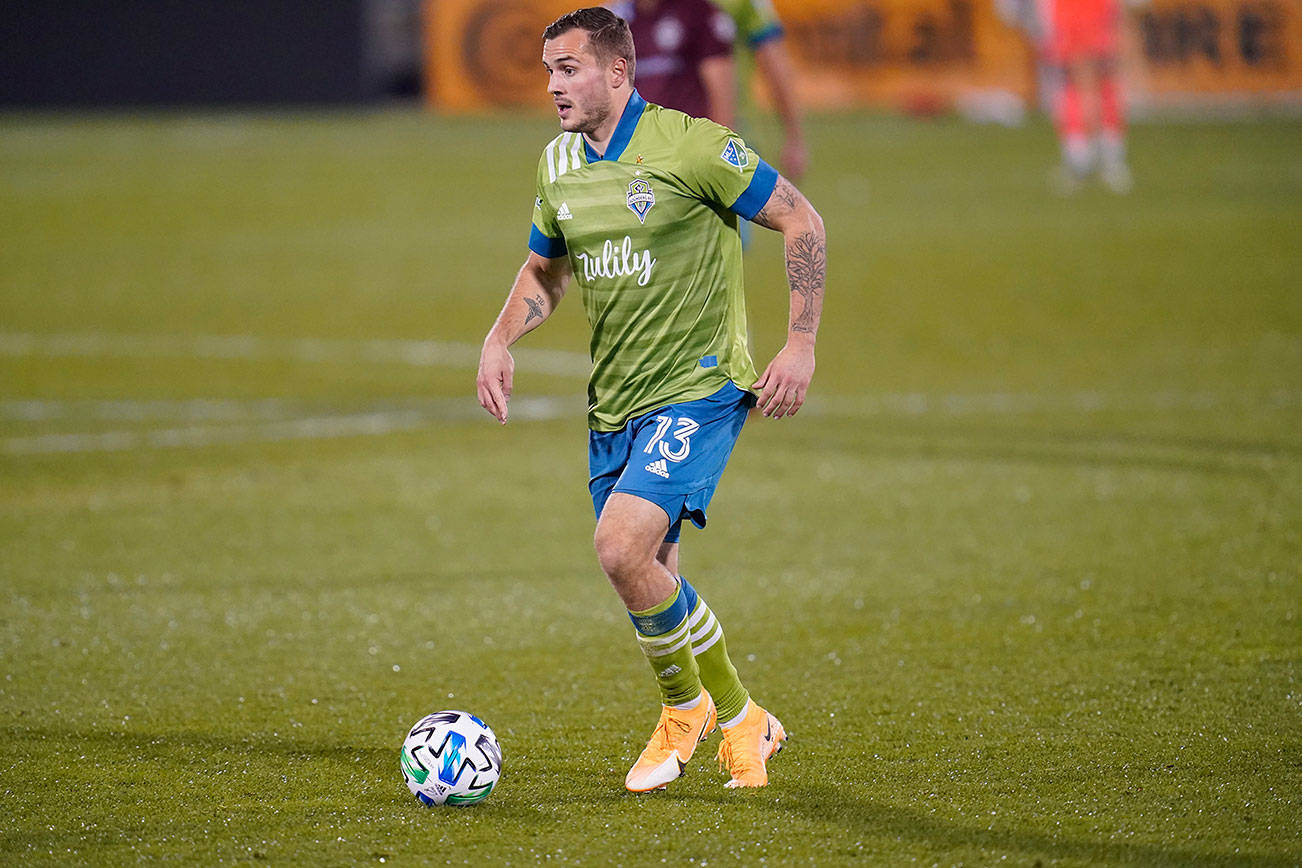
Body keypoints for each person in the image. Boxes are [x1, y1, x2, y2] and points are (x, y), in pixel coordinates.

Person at [475, 7, 825, 791]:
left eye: (569, 69)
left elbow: (801, 219)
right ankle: (701, 712)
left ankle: (726, 715)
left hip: (699, 387)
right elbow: (544, 270)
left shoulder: (693, 146)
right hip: (616, 404)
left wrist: (799, 342)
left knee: (619, 548)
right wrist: (500, 338)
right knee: (649, 575)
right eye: (548, 71)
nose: (555, 86)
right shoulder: (558, 164)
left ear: (617, 72)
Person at [1002, 0, 1132, 192]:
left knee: (1096, 81)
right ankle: (1085, 158)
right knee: (1075, 83)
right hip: (1067, 14)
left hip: (1089, 12)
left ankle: (1103, 158)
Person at [610, 0, 738, 127]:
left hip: (687, 138)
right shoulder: (614, 19)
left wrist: (720, 142)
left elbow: (721, 93)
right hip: (635, 139)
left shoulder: (698, 12)